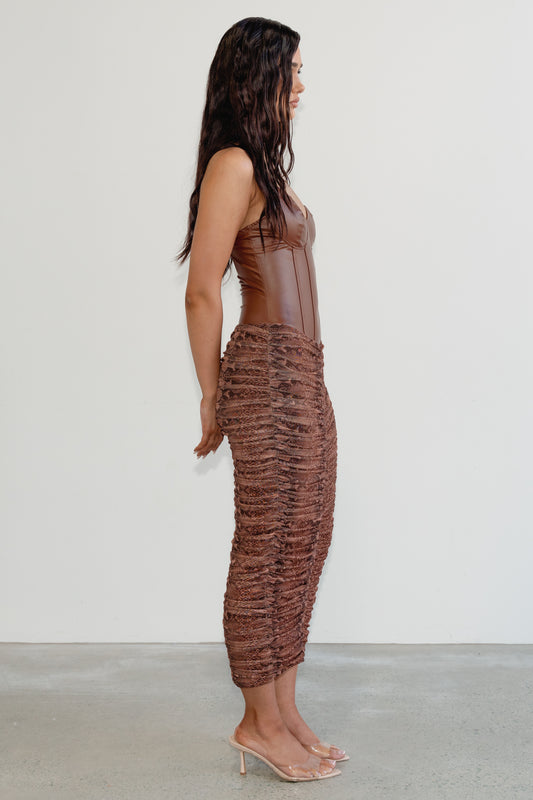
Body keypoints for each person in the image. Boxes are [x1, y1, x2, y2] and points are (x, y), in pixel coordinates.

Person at [179, 17, 347, 783]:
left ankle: (283, 709)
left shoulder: (266, 172)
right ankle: (255, 722)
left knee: (304, 537)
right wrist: (211, 398)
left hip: (303, 369)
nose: (302, 86)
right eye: (294, 72)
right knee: (266, 545)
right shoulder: (234, 165)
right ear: (259, 75)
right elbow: (200, 293)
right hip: (266, 373)